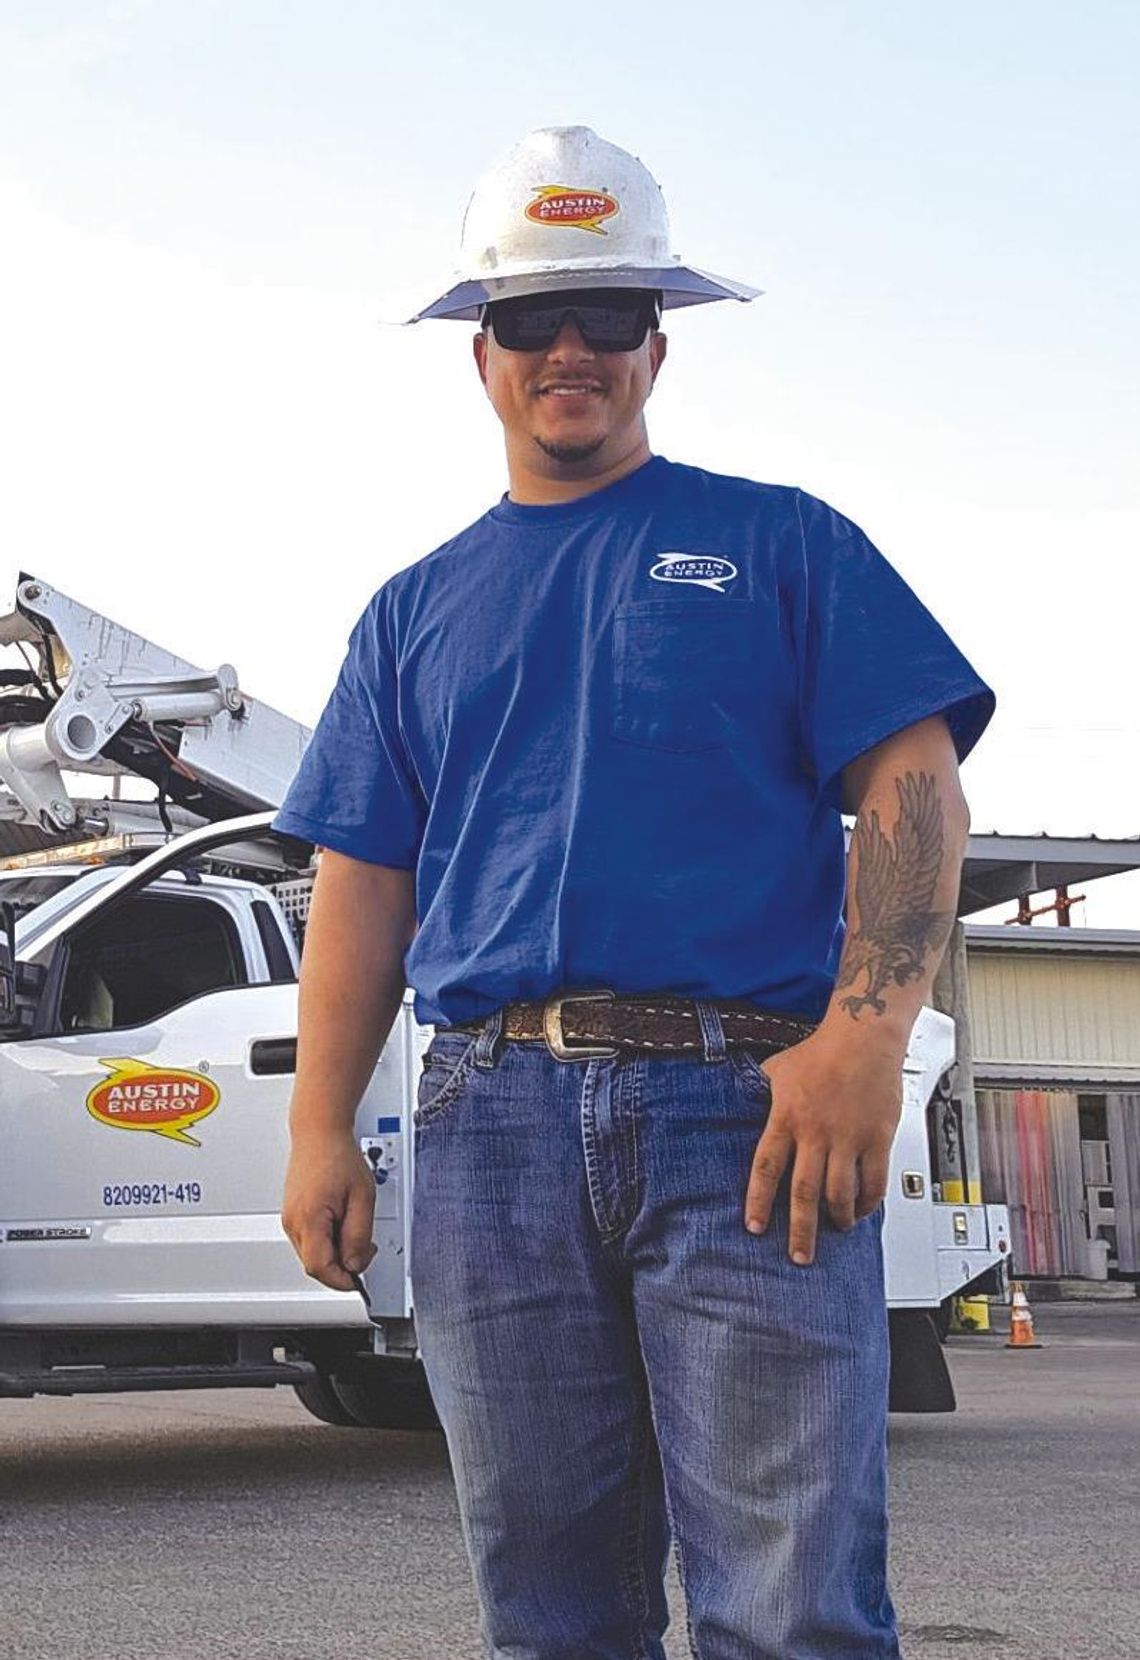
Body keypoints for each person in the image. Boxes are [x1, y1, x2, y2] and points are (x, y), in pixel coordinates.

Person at [276, 126, 995, 1660]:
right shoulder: (412, 613)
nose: (571, 348)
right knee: (548, 1606)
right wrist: (319, 1127)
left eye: (607, 316)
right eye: (534, 318)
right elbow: (363, 881)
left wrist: (865, 1040)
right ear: (483, 352)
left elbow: (915, 788)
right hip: (489, 1132)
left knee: (794, 1603)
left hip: (750, 1120)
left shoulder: (783, 546)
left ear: (658, 346)